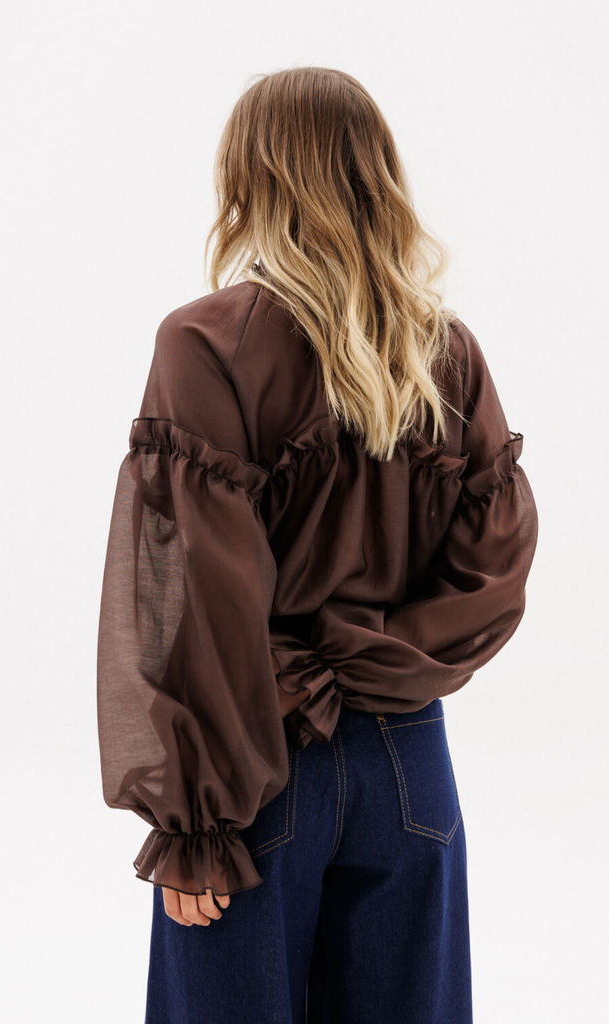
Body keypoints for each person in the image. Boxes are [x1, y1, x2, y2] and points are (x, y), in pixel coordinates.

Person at [96, 66, 538, 1024]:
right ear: (378, 177)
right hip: (412, 768)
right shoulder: (445, 353)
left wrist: (198, 820)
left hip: (259, 765)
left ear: (250, 180)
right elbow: (495, 574)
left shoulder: (206, 344)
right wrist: (379, 658)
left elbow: (194, 599)